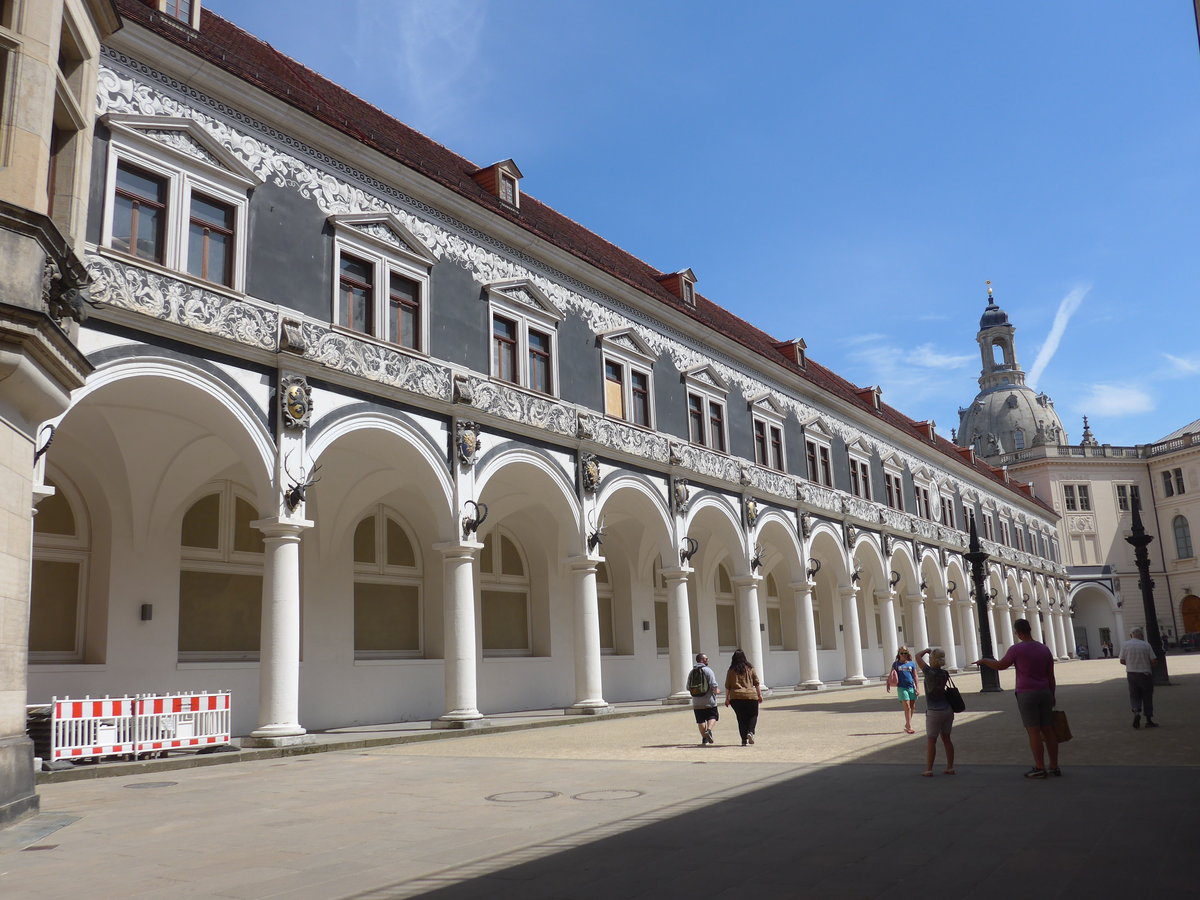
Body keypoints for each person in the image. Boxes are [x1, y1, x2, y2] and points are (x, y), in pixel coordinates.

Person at [975, 618, 1060, 778]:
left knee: (1033, 731)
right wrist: (1052, 695)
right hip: (1045, 692)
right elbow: (1051, 676)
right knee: (1048, 730)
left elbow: (1001, 665)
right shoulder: (1044, 649)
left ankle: (1040, 767)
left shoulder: (1016, 649)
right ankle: (1054, 766)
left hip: (1026, 693)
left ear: (1017, 632)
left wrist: (985, 661)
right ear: (1030, 630)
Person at [916, 647, 955, 776]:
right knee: (947, 739)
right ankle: (950, 767)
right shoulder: (945, 673)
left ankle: (929, 769)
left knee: (931, 740)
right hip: (947, 709)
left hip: (934, 711)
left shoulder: (928, 672)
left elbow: (917, 657)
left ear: (932, 659)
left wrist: (926, 651)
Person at [724, 648, 763, 746]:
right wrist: (759, 695)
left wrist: (727, 698)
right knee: (753, 715)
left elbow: (727, 686)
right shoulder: (750, 668)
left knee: (741, 719)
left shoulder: (731, 670)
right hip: (750, 695)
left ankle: (743, 740)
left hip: (736, 696)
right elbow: (756, 682)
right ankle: (750, 731)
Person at [1120, 627, 1157, 728]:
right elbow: (1154, 661)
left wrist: (1131, 664)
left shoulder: (1125, 645)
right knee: (1147, 696)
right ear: (1141, 635)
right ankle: (1149, 720)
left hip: (1131, 674)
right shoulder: (1146, 645)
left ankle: (1136, 712)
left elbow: (1122, 661)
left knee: (1134, 695)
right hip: (1145, 674)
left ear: (1131, 635)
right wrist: (1147, 665)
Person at [886, 647, 920, 734]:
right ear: (899, 654)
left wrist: (918, 688)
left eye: (905, 653)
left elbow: (915, 676)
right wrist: (888, 684)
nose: (903, 655)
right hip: (902, 688)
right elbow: (891, 674)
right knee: (907, 706)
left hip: (911, 687)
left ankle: (907, 723)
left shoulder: (912, 664)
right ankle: (909, 726)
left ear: (908, 654)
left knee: (912, 707)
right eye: (902, 653)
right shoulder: (896, 664)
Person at [690, 652, 721, 745]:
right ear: (702, 660)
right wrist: (717, 691)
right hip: (708, 699)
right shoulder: (708, 670)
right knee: (713, 716)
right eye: (706, 658)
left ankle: (704, 739)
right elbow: (713, 684)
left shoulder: (692, 671)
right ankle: (708, 730)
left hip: (696, 700)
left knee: (700, 720)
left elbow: (688, 686)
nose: (708, 660)